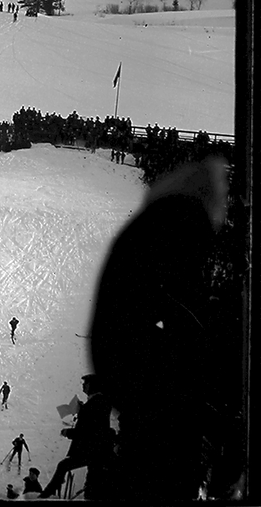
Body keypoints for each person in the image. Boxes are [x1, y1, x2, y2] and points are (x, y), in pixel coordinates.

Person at [88, 156, 232, 501]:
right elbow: (173, 303)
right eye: (224, 195)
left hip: (134, 371)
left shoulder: (161, 223)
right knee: (163, 462)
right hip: (147, 378)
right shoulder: (181, 223)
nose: (227, 206)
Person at [39, 374, 114, 499]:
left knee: (64, 466)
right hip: (99, 451)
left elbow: (87, 431)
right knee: (93, 481)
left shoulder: (93, 405)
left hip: (91, 450)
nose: (83, 386)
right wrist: (83, 410)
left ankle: (47, 494)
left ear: (92, 386)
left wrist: (67, 432)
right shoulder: (100, 402)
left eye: (86, 383)